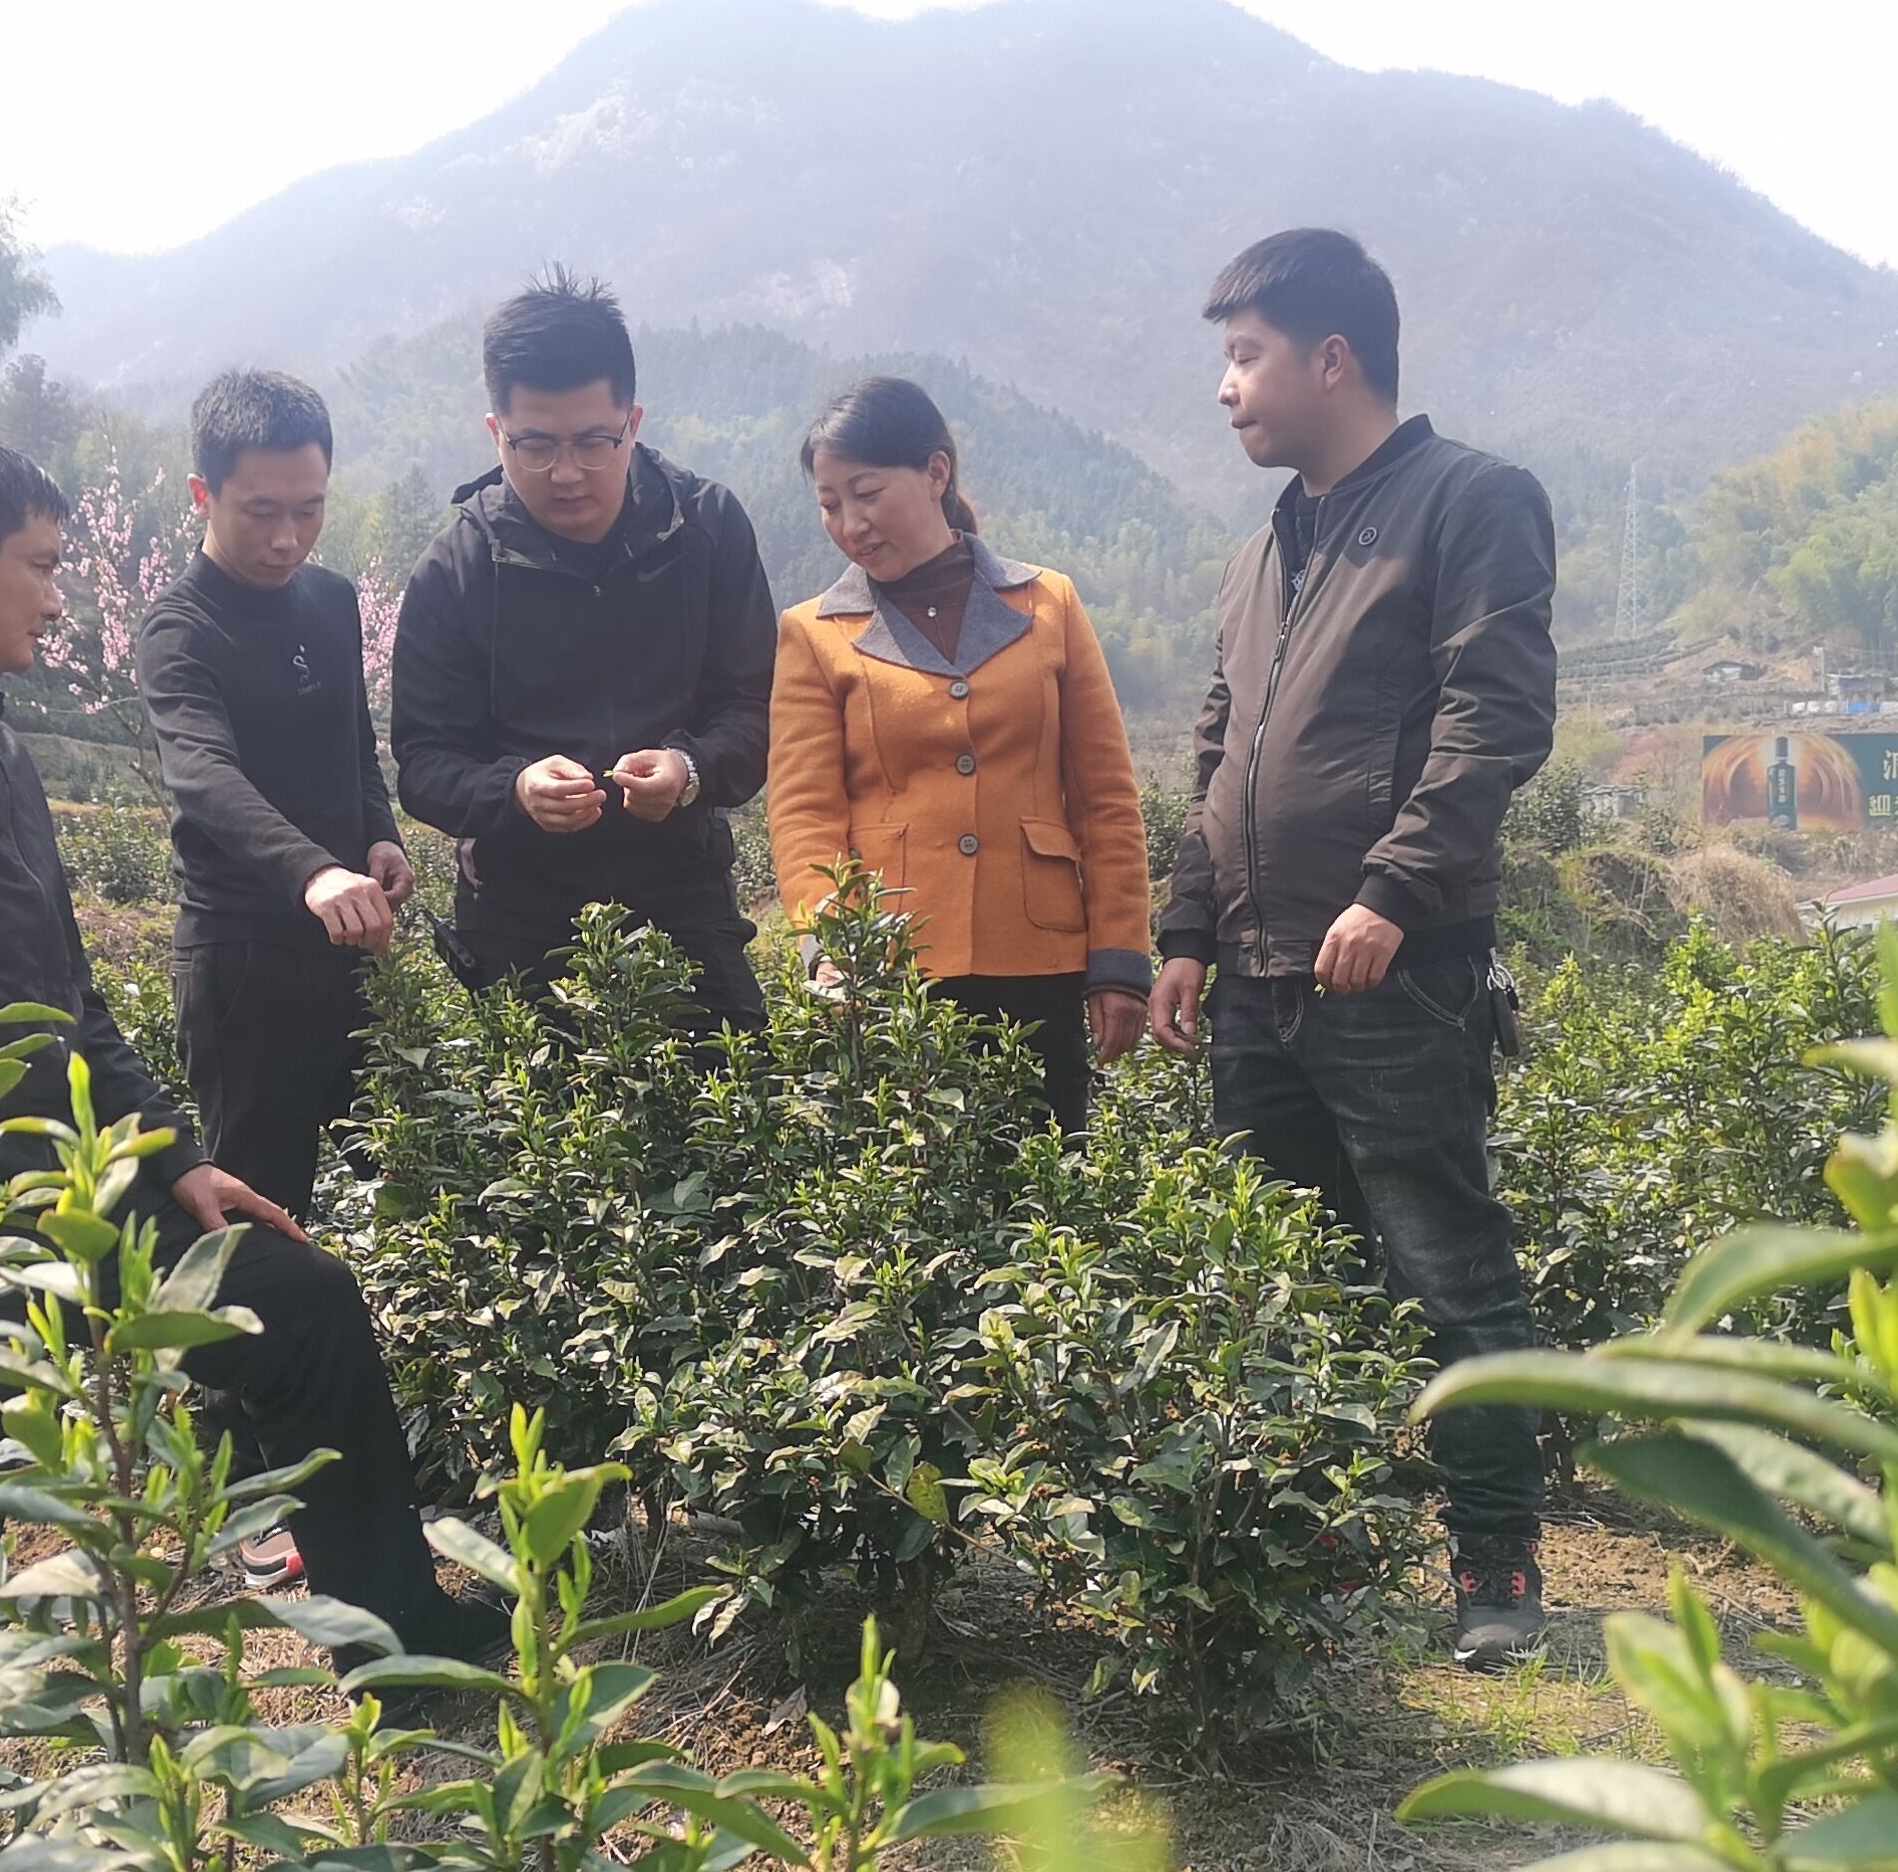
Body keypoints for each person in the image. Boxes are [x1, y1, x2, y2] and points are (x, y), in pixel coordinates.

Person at [0, 428, 500, 1662]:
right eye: (41, 564)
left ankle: (398, 1644)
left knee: (302, 1300)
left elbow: (65, 988)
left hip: (77, 1182)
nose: (60, 596)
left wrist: (175, 1152)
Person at [1145, 230, 1555, 1663]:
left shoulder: (1470, 503)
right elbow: (1222, 749)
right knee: (1289, 1267)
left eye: (1245, 355)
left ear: (1331, 358)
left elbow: (1491, 716)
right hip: (1257, 977)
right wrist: (1185, 926)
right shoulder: (1268, 547)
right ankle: (1316, 1550)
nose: (1226, 389)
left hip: (1398, 964)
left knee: (1448, 1262)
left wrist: (1391, 889)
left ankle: (1497, 1566)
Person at [390, 268, 775, 1026]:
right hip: (519, 926)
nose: (565, 473)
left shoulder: (706, 529)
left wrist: (689, 770)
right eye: (533, 445)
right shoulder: (458, 566)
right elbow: (426, 762)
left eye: (593, 442)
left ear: (632, 422)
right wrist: (515, 790)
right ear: (496, 433)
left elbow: (756, 712)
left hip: (684, 910)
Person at [765, 376, 1151, 1130]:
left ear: (936, 473)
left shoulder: (1049, 606)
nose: (849, 522)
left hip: (1040, 960)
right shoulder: (813, 632)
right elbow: (805, 813)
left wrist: (1120, 961)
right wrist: (830, 946)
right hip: (891, 969)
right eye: (829, 502)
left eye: (867, 492)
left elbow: (1106, 798)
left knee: (1048, 1197)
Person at [136, 367, 412, 1222]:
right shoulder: (180, 628)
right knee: (262, 1210)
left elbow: (353, 741)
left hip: (354, 944)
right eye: (262, 511)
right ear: (202, 493)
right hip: (247, 962)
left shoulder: (330, 601)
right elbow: (205, 777)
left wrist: (378, 834)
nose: (288, 538)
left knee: (409, 1182)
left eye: (310, 509)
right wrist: (312, 873)